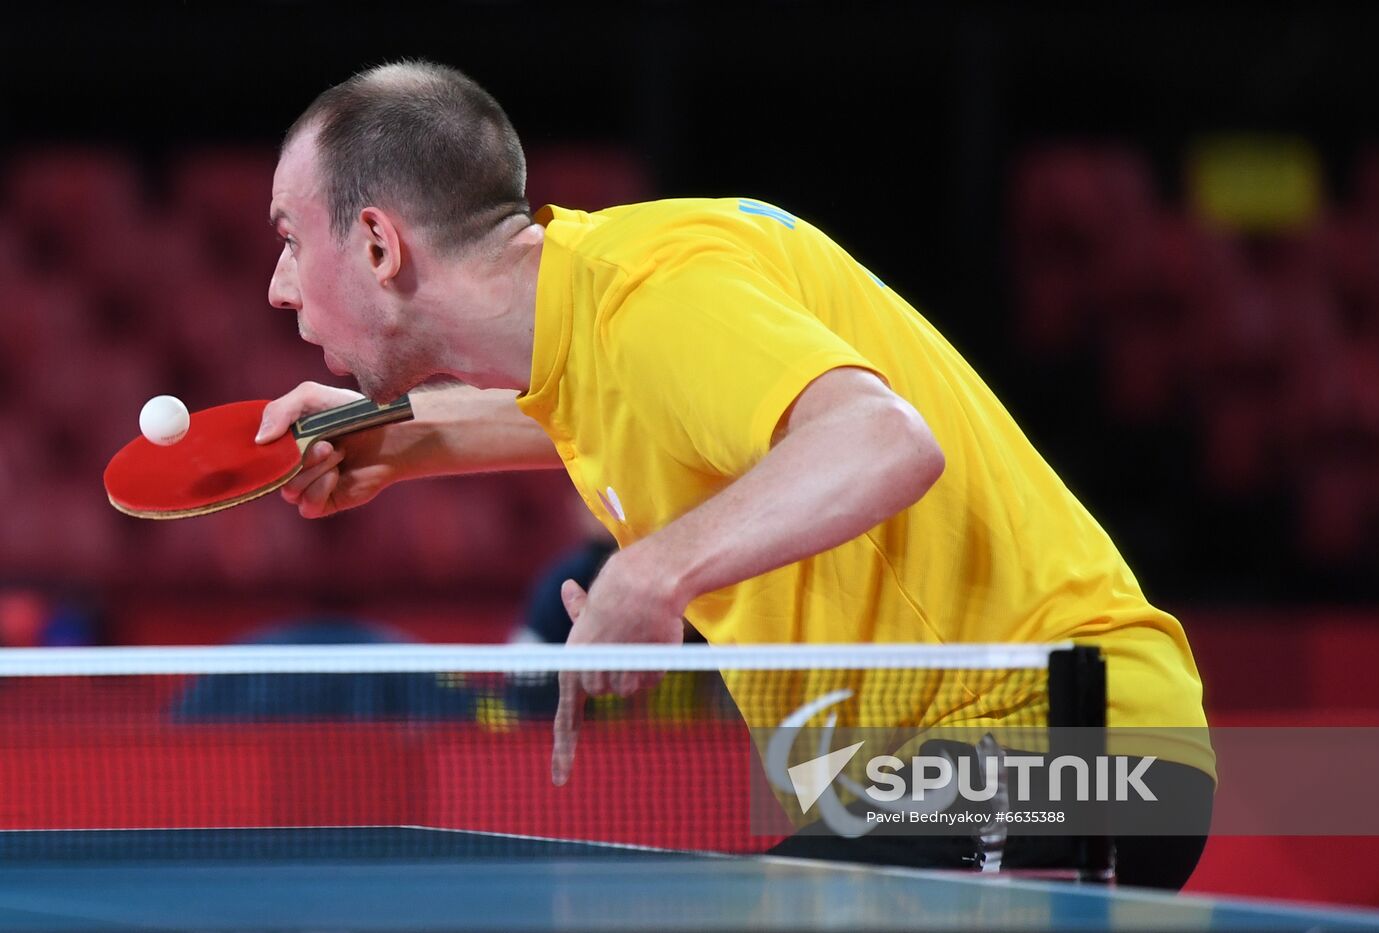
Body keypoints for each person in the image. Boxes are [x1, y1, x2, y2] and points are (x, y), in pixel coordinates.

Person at [256, 60, 1213, 888]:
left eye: (294, 238)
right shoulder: (598, 310)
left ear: (379, 244)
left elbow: (884, 440)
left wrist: (652, 570)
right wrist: (391, 438)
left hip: (1076, 745)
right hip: (966, 762)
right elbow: (622, 405)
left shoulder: (653, 295)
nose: (279, 284)